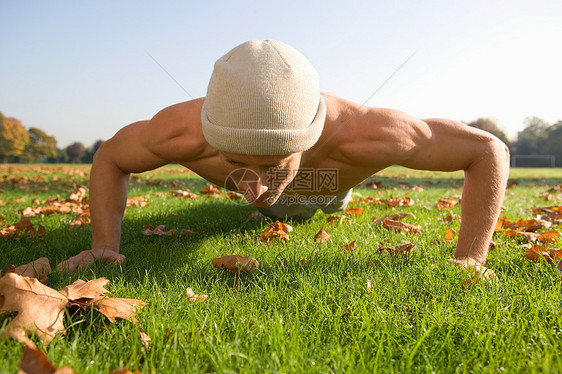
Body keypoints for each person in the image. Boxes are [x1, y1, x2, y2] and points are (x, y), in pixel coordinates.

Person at [57, 40, 510, 277]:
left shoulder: (367, 135)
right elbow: (112, 156)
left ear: (309, 139)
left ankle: (315, 190)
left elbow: (487, 149)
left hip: (324, 193)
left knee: (323, 197)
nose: (254, 186)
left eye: (274, 165)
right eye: (236, 160)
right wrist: (104, 246)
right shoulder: (179, 131)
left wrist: (472, 258)